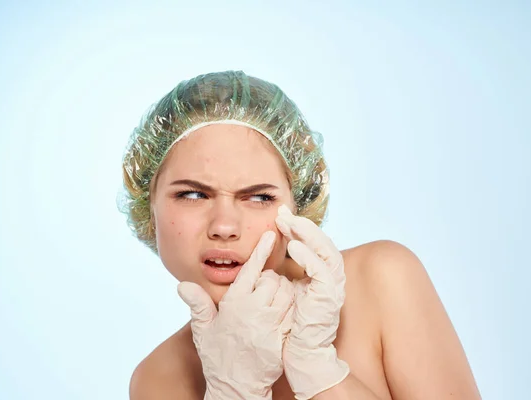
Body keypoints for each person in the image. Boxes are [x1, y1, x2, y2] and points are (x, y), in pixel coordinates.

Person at [118, 70, 482, 399]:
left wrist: (319, 371)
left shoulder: (381, 279)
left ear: (298, 206)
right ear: (148, 205)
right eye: (193, 194)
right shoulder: (158, 380)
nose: (224, 228)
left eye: (259, 196)